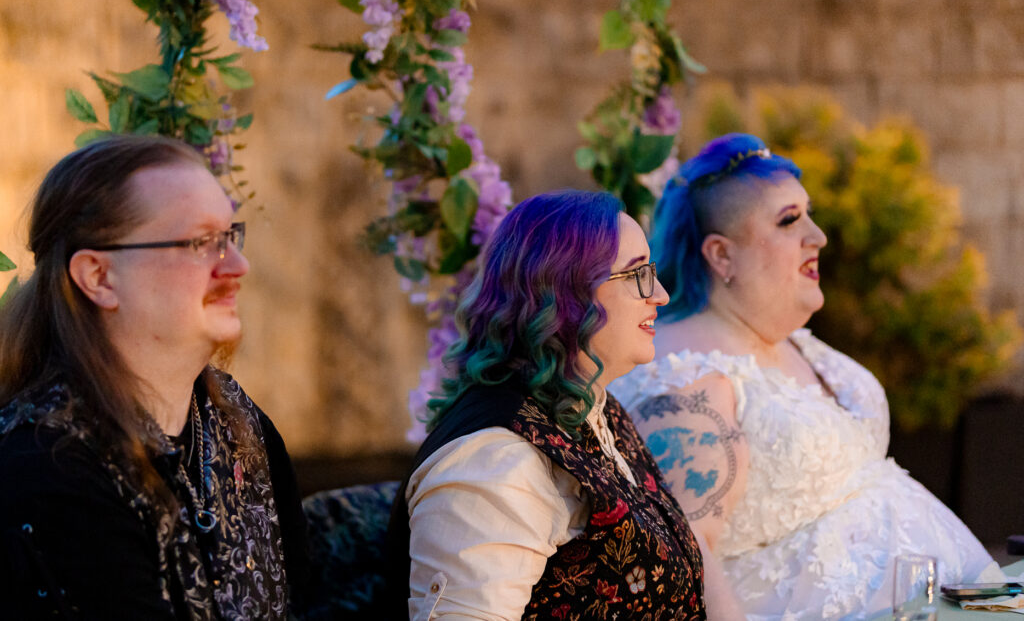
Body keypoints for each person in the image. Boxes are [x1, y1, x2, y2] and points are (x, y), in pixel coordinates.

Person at [612, 133, 1001, 619]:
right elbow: (690, 554)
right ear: (721, 255)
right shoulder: (684, 376)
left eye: (808, 214)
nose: (817, 236)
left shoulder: (793, 338)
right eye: (789, 220)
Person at [0, 135, 309, 619]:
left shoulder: (237, 423)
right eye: (200, 243)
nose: (238, 265)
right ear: (99, 277)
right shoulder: (47, 465)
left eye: (229, 237)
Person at [387, 190, 708, 620]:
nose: (661, 295)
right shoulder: (495, 461)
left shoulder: (596, 410)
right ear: (566, 293)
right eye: (637, 274)